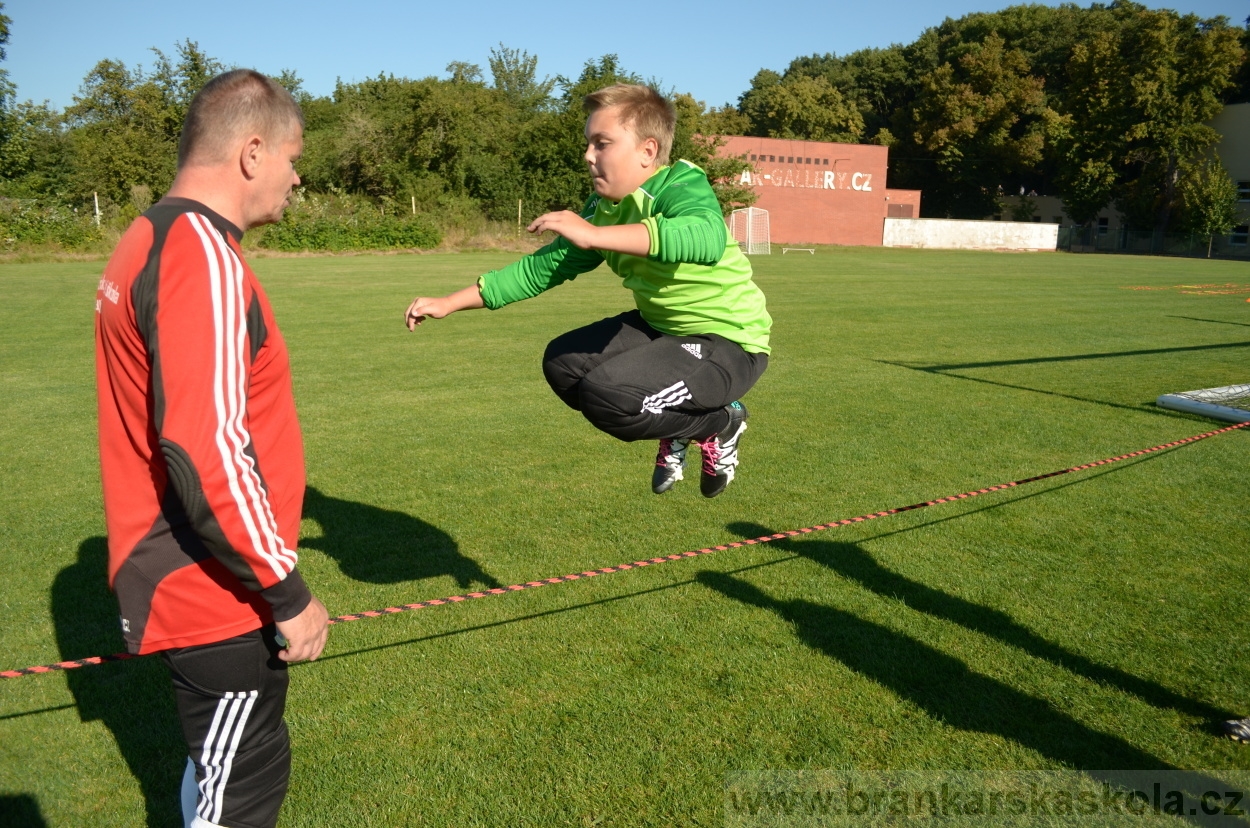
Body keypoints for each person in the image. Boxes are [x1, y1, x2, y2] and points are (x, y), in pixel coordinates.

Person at [94, 69, 328, 828]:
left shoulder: (152, 233)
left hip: (197, 576)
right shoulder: (200, 253)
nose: (297, 177)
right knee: (241, 793)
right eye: (294, 157)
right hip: (214, 591)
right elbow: (205, 451)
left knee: (216, 771)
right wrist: (286, 593)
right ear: (253, 152)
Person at [404, 83, 771, 497]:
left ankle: (720, 422)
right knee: (563, 365)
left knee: (610, 395)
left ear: (647, 152)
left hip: (729, 344)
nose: (588, 156)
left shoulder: (680, 184)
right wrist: (450, 302)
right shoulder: (603, 210)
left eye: (602, 144)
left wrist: (595, 234)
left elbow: (703, 238)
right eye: (588, 144)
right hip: (663, 329)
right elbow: (542, 269)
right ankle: (684, 424)